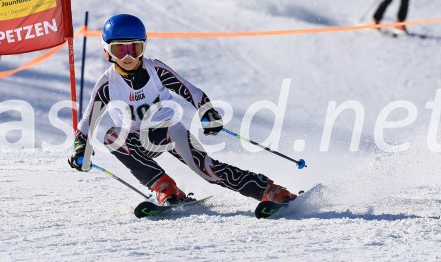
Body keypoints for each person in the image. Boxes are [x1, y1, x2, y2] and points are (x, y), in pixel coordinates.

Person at [67, 14, 297, 206]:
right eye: (120, 50)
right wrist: (80, 147)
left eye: (134, 48)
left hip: (168, 131)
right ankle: (165, 188)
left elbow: (191, 91)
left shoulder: (155, 70)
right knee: (112, 137)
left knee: (208, 171)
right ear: (107, 51)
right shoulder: (107, 84)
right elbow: (88, 120)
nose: (128, 56)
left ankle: (270, 190)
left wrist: (207, 112)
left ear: (143, 47)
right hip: (136, 142)